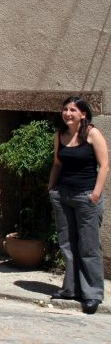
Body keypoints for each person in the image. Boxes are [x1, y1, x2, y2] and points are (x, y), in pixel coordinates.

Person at [48, 96, 109, 314]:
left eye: (73, 109)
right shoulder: (60, 135)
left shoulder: (92, 134)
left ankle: (92, 294)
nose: (68, 113)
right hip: (62, 195)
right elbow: (57, 163)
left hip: (86, 197)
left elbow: (104, 167)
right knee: (67, 244)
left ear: (83, 114)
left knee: (89, 247)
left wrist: (95, 194)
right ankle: (71, 290)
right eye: (65, 109)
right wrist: (51, 188)